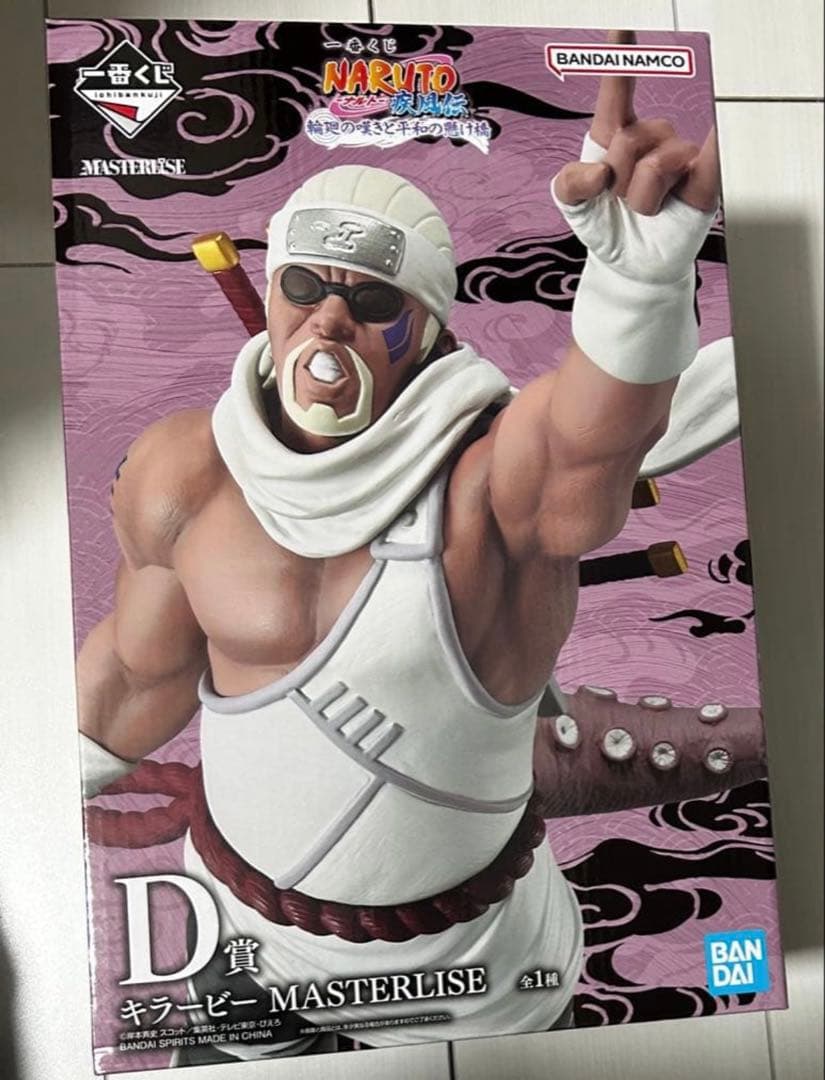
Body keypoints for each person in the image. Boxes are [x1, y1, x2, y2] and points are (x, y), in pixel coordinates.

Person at [78, 62, 737, 1059]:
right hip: (242, 939)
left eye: (372, 300)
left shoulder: (486, 489)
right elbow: (138, 673)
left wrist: (636, 289)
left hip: (477, 968)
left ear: (425, 332)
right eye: (305, 287)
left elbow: (583, 445)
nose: (328, 322)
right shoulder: (184, 473)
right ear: (272, 293)